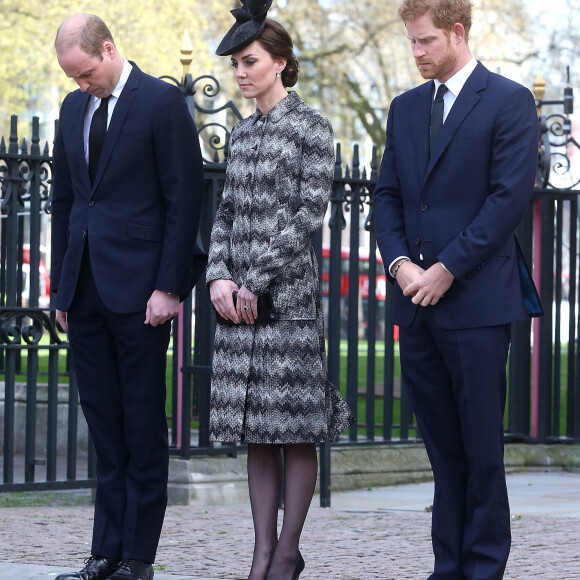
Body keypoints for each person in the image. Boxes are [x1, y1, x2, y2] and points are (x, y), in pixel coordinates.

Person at [373, 1, 540, 578]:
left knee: (481, 453)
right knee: (442, 454)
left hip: (477, 304)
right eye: (411, 42)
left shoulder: (509, 101)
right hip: (415, 304)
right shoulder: (405, 108)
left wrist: (445, 269)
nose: (415, 53)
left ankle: (484, 568)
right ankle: (448, 567)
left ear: (457, 32)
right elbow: (388, 198)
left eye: (424, 42)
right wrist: (399, 265)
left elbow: (506, 202)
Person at [51, 14, 205, 580]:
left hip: (142, 293)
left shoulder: (162, 104)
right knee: (104, 425)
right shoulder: (72, 110)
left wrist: (170, 286)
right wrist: (61, 288)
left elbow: (183, 201)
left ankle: (137, 557)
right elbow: (65, 203)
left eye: (86, 73)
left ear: (109, 49)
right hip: (85, 292)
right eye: (72, 78)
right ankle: (103, 552)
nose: (80, 85)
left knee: (141, 424)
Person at [207, 2, 354, 579]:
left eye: (250, 62)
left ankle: (288, 549)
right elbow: (223, 213)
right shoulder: (240, 136)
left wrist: (255, 276)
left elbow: (306, 215)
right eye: (236, 66)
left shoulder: (312, 128)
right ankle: (261, 552)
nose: (240, 74)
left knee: (294, 428)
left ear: (281, 64)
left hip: (286, 305)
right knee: (256, 432)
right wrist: (219, 274)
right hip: (239, 309)